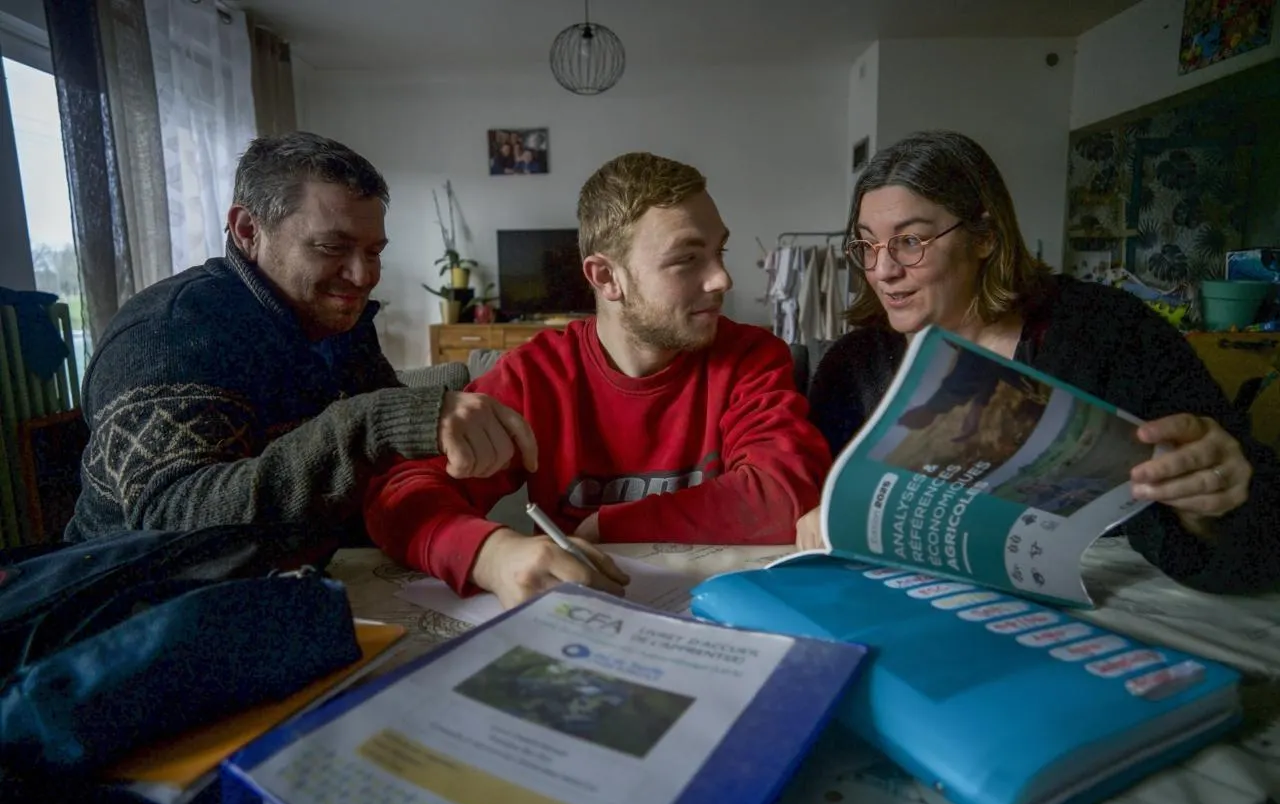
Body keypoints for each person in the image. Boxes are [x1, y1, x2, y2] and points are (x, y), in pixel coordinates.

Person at [797, 129, 1280, 592]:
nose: (883, 270)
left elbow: (1253, 523)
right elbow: (821, 504)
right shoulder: (851, 368)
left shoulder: (1110, 333)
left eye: (910, 241)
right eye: (867, 245)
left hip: (1111, 605)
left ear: (985, 236)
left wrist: (1209, 511)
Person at [365, 151, 831, 608]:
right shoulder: (536, 376)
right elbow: (399, 495)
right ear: (606, 277)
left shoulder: (751, 356)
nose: (721, 279)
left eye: (718, 251)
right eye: (688, 258)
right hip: (576, 616)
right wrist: (491, 555)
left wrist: (608, 527)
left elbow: (784, 492)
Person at [66, 131, 535, 542]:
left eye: (374, 252)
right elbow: (175, 522)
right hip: (137, 597)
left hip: (311, 573)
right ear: (248, 230)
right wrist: (377, 421)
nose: (363, 276)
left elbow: (387, 469)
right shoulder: (168, 333)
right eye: (332, 247)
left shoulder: (335, 319)